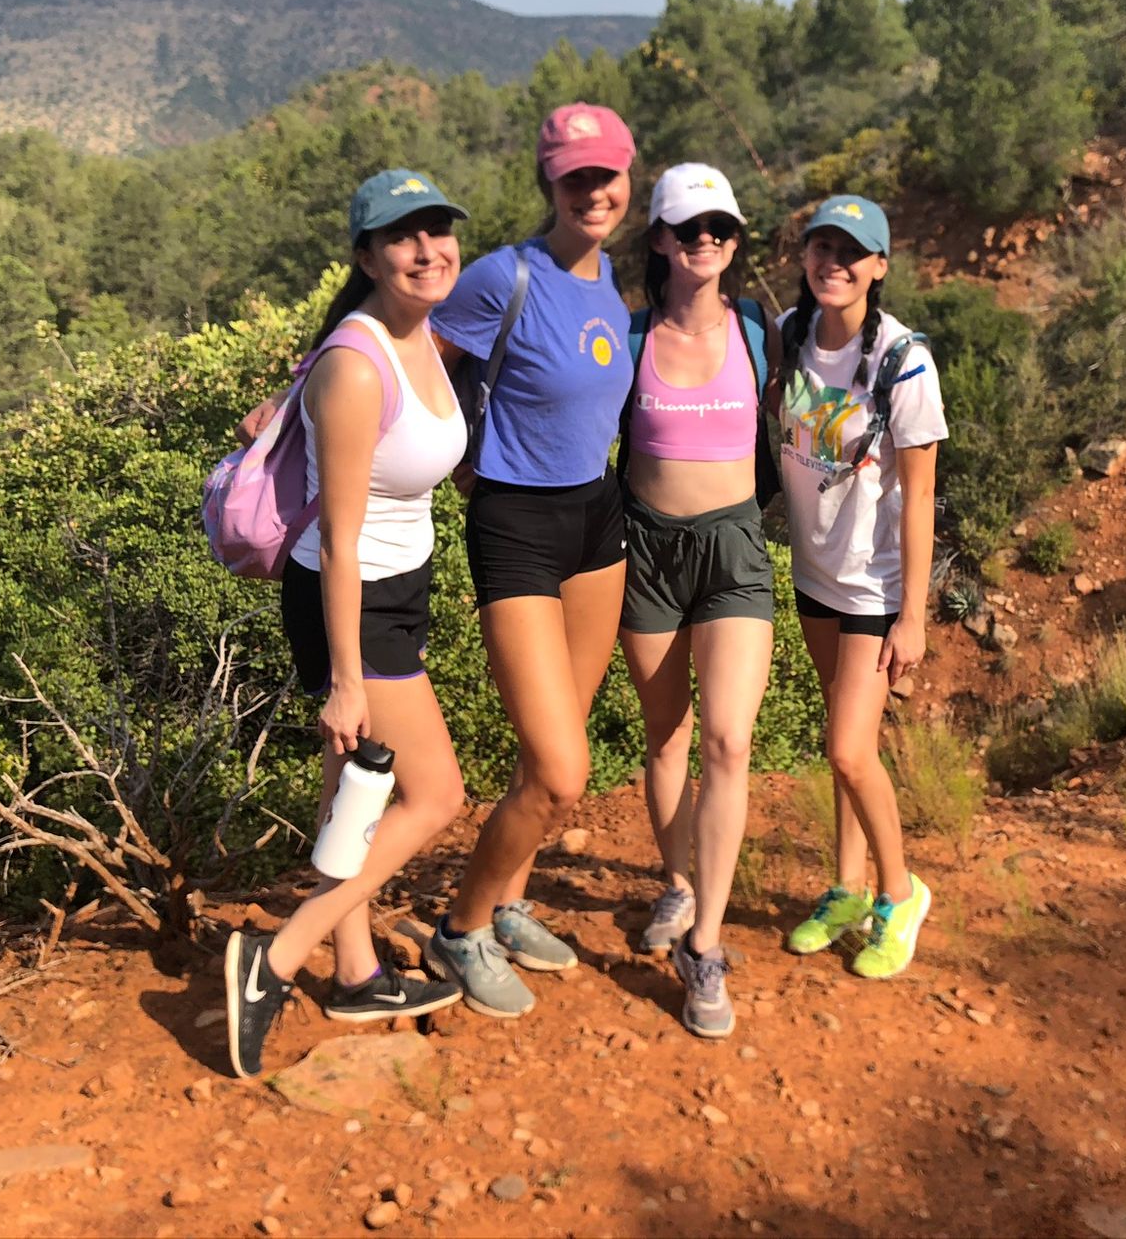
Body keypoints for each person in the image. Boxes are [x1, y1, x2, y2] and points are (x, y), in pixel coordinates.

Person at [224, 169, 474, 1079]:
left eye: (438, 231)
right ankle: (277, 957)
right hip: (351, 601)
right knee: (434, 796)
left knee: (351, 810)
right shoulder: (356, 364)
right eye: (403, 237)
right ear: (367, 254)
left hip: (392, 591)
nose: (426, 250)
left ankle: (358, 972)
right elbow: (337, 534)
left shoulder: (426, 340)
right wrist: (346, 679)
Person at [417, 104, 638, 1018]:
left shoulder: (615, 278)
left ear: (629, 179)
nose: (594, 193)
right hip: (513, 523)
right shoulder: (501, 277)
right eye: (575, 178)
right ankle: (459, 927)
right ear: (548, 183)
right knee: (561, 770)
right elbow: (399, 350)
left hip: (598, 517)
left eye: (608, 176)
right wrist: (295, 399)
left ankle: (509, 902)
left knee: (555, 744)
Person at [618, 162, 780, 1039]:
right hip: (645, 549)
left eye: (720, 228)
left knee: (728, 738)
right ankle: (676, 885)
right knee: (667, 733)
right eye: (689, 230)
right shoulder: (627, 333)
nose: (707, 241)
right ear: (659, 241)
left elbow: (849, 348)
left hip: (734, 549)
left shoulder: (763, 329)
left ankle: (705, 948)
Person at [775, 194, 947, 979]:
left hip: (874, 591)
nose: (833, 264)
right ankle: (844, 887)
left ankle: (900, 892)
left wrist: (915, 614)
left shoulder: (903, 359)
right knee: (845, 745)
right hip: (815, 575)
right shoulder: (788, 336)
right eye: (822, 247)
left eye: (853, 252)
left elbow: (920, 499)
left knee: (847, 750)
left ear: (880, 266)